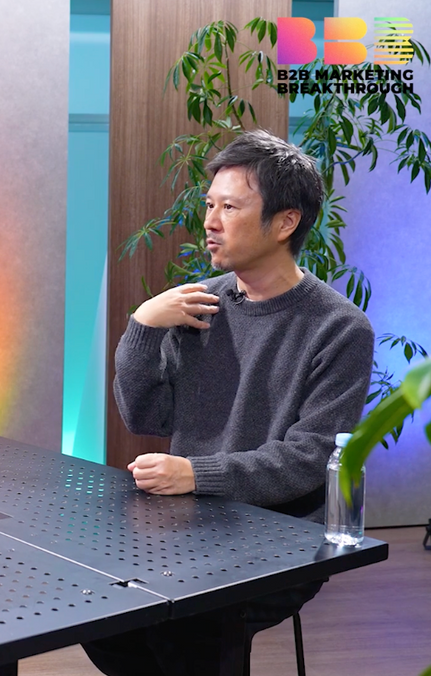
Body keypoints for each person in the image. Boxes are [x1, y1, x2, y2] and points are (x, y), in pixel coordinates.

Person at [83, 130, 375, 675]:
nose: (210, 222)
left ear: (285, 223)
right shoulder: (200, 303)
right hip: (186, 520)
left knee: (191, 623)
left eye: (230, 208)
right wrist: (142, 325)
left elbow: (310, 458)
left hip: (283, 531)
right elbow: (145, 417)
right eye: (209, 205)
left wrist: (196, 472)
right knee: (100, 606)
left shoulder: (340, 328)